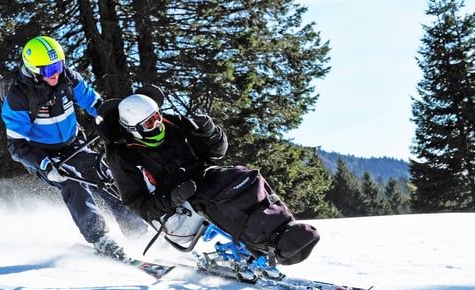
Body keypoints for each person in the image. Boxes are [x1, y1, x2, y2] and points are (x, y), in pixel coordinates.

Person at [95, 85, 320, 266]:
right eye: (150, 123)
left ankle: (284, 229)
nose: (159, 124)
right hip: (173, 209)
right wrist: (172, 198)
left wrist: (212, 135)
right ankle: (266, 244)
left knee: (244, 176)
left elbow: (214, 154)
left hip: (204, 179)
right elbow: (137, 204)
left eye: (157, 116)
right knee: (223, 201)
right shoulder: (122, 155)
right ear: (133, 128)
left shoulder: (172, 124)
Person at [0, 35, 146, 260]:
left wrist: (113, 120)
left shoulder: (68, 78)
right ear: (33, 69)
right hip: (45, 156)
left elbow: (94, 103)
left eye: (58, 66)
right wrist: (45, 165)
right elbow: (16, 145)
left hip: (73, 145)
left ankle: (137, 229)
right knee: (73, 182)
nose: (55, 74)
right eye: (49, 70)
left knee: (105, 174)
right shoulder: (19, 97)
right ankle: (99, 238)